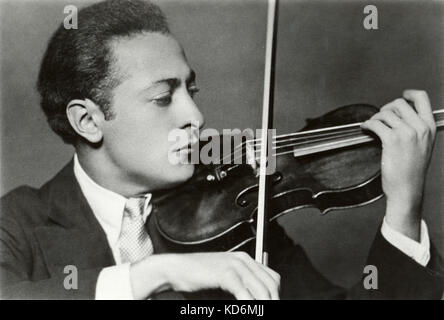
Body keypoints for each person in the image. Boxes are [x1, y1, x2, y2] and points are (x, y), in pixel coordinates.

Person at [0, 0, 442, 300]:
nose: (196, 116)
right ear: (88, 120)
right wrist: (157, 273)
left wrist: (403, 209)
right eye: (163, 97)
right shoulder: (18, 222)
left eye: (191, 90)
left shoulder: (233, 219)